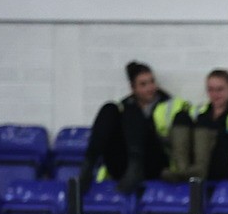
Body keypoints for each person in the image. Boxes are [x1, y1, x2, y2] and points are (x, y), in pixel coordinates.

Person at [80, 61, 193, 193]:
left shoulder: (171, 105)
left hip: (155, 161)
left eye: (152, 82)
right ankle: (88, 164)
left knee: (132, 111)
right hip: (123, 164)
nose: (150, 87)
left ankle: (136, 167)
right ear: (133, 88)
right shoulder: (123, 107)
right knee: (109, 107)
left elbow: (179, 142)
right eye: (143, 84)